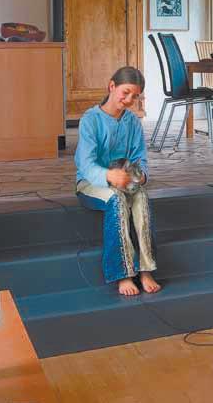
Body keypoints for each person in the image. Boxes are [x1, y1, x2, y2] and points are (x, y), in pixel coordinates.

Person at [75, 66, 161, 296]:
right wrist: (108, 175)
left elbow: (140, 159)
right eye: (126, 92)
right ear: (112, 86)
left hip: (125, 181)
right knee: (117, 200)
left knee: (141, 197)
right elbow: (85, 164)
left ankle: (145, 269)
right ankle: (122, 273)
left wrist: (141, 175)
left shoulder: (133, 122)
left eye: (135, 96)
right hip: (91, 184)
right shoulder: (91, 120)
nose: (129, 99)